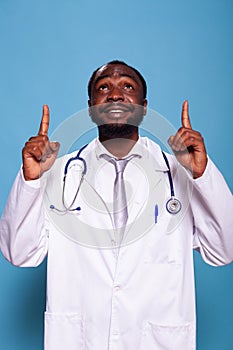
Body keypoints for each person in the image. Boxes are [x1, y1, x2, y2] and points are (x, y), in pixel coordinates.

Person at [0, 60, 232, 350]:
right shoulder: (57, 174)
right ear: (90, 108)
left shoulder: (180, 175)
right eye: (103, 87)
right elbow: (19, 253)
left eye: (127, 86)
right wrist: (31, 180)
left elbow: (224, 250)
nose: (115, 94)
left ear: (144, 107)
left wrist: (202, 173)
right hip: (80, 341)